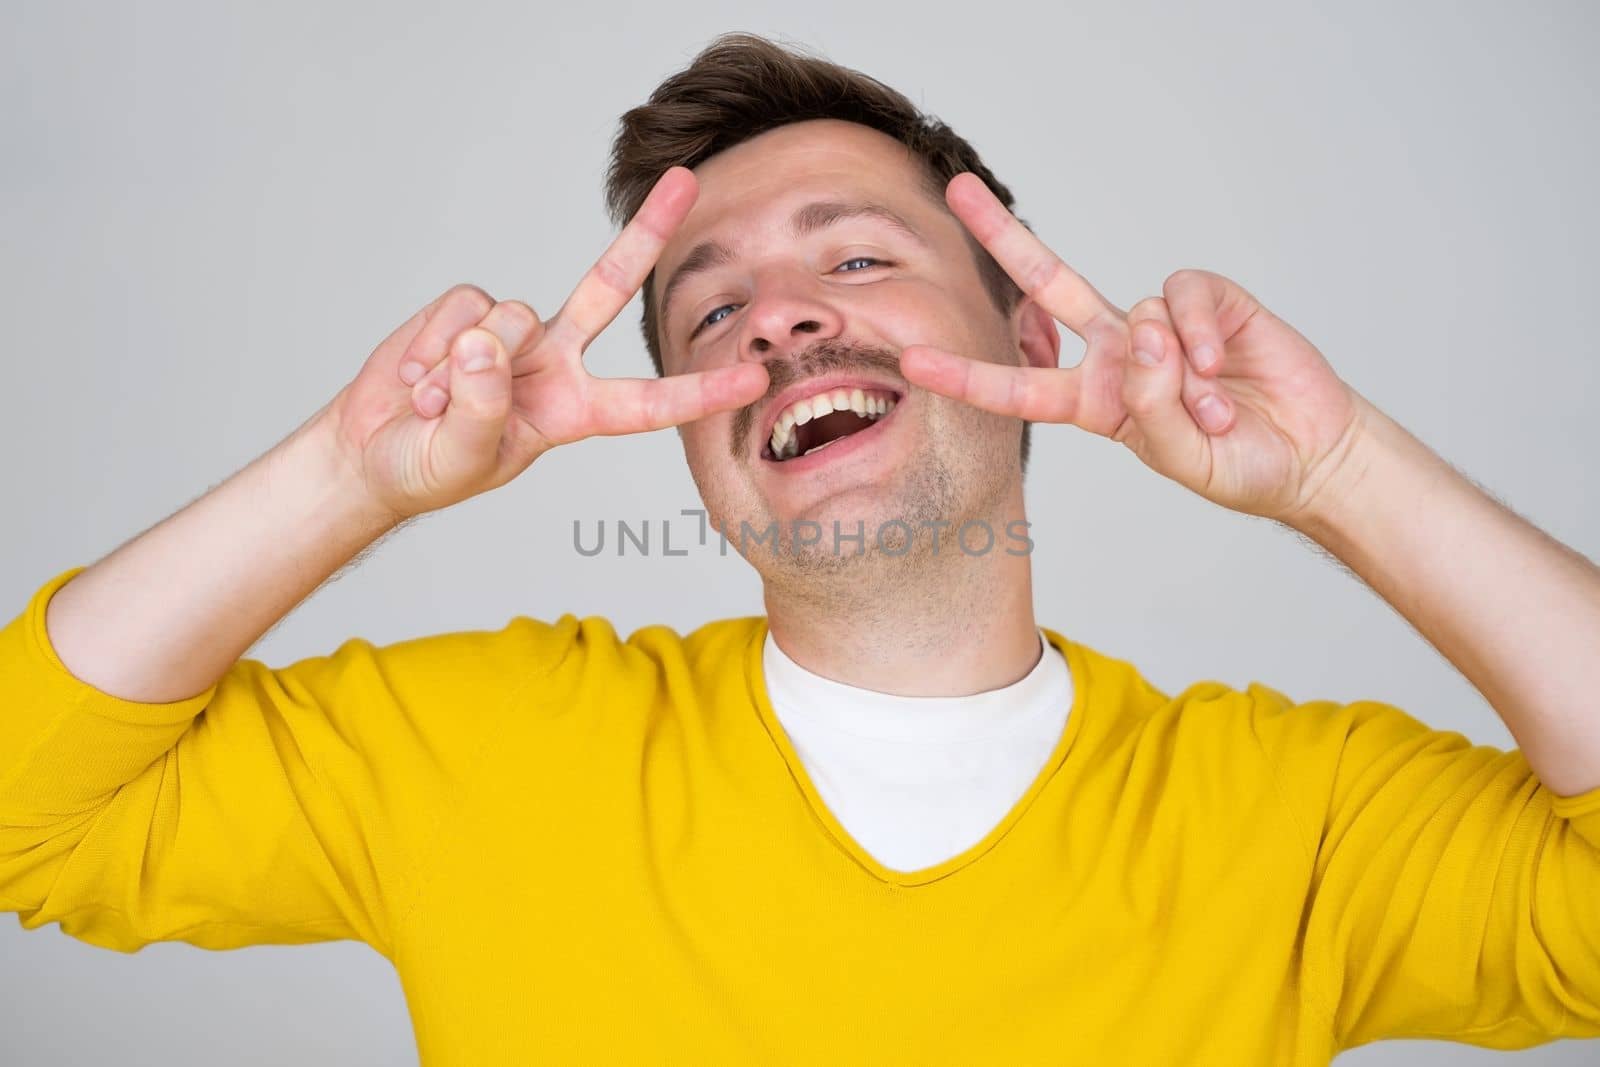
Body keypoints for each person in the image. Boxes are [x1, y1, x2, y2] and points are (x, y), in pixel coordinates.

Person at [3, 31, 1597, 1066]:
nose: (778, 314)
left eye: (854, 254)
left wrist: (1336, 470)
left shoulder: (1290, 821)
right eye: (710, 308)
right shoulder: (491, 745)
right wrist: (351, 478)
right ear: (694, 433)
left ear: (1026, 328)